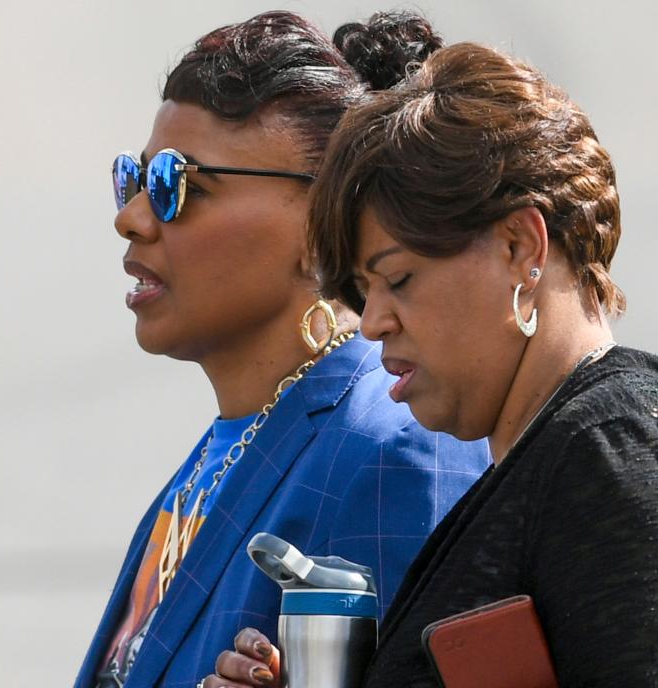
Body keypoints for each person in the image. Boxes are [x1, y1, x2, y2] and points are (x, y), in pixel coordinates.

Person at [210, 42, 658, 686]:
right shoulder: (549, 465)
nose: (373, 320)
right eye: (361, 292)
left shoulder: (619, 463)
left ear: (521, 246)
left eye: (398, 278)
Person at [76, 13, 489, 688]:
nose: (133, 217)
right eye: (135, 177)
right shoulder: (229, 446)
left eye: (179, 185)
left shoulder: (394, 452)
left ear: (320, 220)